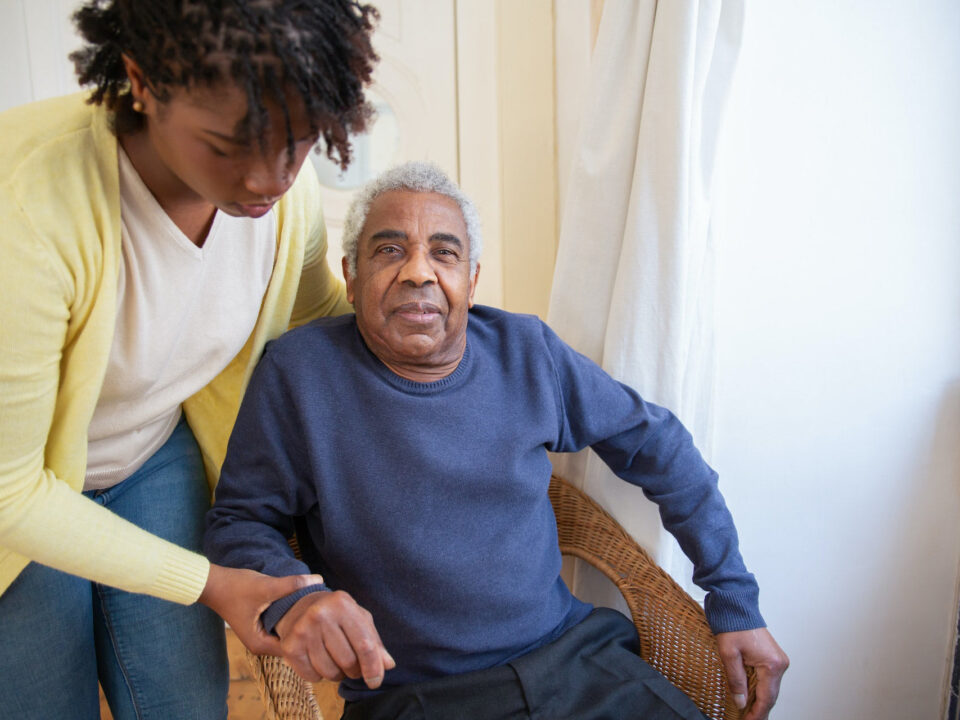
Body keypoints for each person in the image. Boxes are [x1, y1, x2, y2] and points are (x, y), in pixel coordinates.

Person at [204, 161, 790, 720]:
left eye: (444, 252)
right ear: (351, 279)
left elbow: (658, 446)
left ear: (471, 280)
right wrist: (295, 599)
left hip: (579, 664)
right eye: (388, 250)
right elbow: (238, 522)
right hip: (417, 697)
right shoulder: (300, 374)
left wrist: (732, 596)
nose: (417, 271)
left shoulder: (526, 351)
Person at [0, 2, 379, 719]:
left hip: (147, 452)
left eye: (297, 144)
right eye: (227, 146)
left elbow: (314, 314)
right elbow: (10, 491)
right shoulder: (25, 208)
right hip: (16, 492)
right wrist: (209, 583)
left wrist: (468, 345)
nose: (268, 178)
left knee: (184, 704)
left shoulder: (281, 200)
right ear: (142, 81)